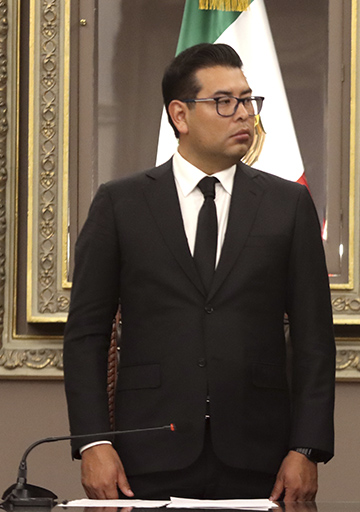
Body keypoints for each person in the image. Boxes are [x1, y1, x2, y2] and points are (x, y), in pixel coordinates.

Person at [63, 43, 335, 501]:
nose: (244, 114)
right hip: (145, 453)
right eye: (224, 101)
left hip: (262, 457)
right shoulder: (121, 203)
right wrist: (93, 442)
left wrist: (306, 448)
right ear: (180, 115)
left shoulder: (287, 205)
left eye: (247, 100)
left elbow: (314, 339)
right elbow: (86, 334)